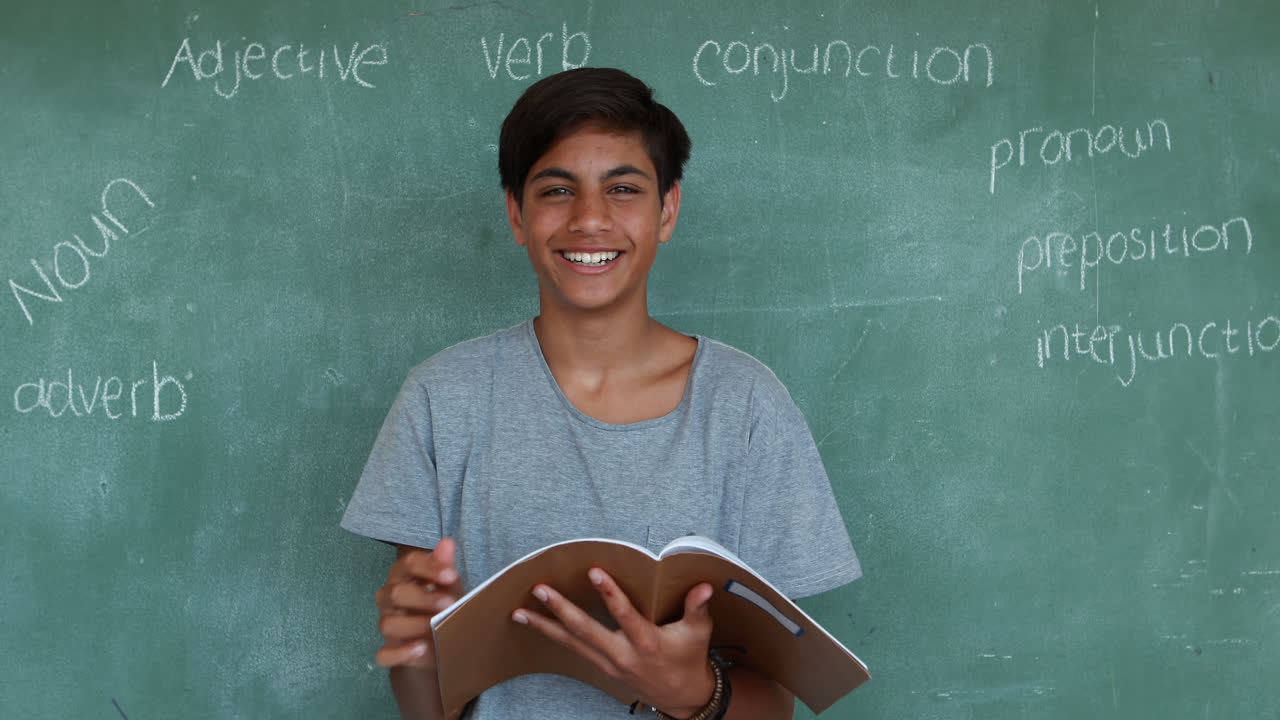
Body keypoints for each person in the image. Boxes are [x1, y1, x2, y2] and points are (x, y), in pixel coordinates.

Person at [341, 67, 861, 720]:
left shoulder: (746, 406)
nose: (590, 218)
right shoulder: (442, 402)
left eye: (623, 189)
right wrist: (417, 658)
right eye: (557, 190)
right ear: (516, 215)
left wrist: (693, 694)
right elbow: (430, 708)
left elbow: (775, 705)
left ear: (667, 209)